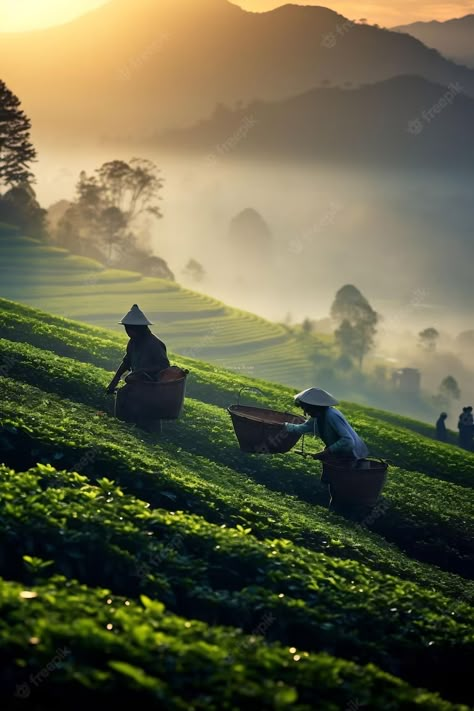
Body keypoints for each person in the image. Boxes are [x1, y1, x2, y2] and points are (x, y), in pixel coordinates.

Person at [284, 387, 369, 468]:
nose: (305, 413)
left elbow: (347, 441)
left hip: (354, 456)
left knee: (343, 480)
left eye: (307, 409)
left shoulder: (331, 415)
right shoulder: (317, 416)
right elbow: (302, 428)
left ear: (315, 406)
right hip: (341, 455)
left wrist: (325, 453)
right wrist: (284, 425)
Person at [106, 304, 170, 394]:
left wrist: (142, 371)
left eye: (129, 329)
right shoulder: (133, 342)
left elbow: (164, 367)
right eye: (126, 329)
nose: (128, 332)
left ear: (140, 328)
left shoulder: (154, 344)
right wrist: (115, 380)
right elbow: (127, 362)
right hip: (137, 385)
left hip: (153, 387)